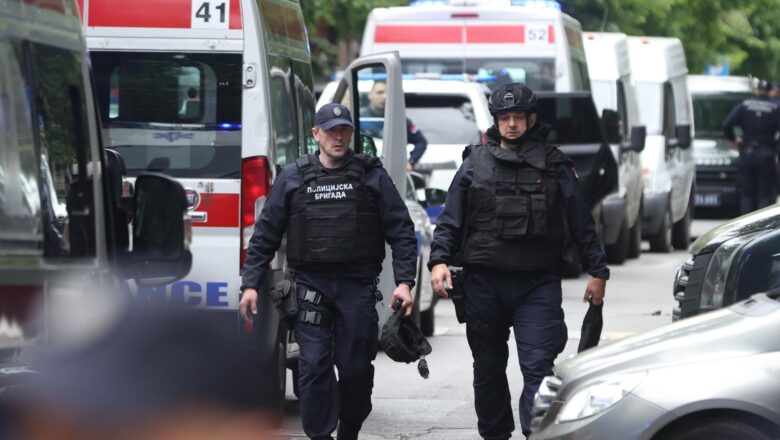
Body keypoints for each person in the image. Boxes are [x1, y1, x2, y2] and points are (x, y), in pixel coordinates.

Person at [428, 83, 609, 439]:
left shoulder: (555, 164)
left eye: (518, 117)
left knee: (539, 370)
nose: (511, 124)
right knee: (489, 370)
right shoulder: (473, 163)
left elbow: (581, 222)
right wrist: (438, 262)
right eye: (504, 118)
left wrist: (598, 272)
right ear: (496, 121)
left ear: (531, 119)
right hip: (484, 284)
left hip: (536, 285)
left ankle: (537, 434)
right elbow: (451, 220)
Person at [239, 103, 418, 440]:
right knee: (313, 366)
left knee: (355, 370)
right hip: (311, 286)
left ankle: (349, 428)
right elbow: (265, 233)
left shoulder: (371, 176)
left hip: (357, 287)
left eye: (344, 130)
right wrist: (250, 284)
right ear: (316, 134)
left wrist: (406, 282)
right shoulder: (293, 177)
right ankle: (320, 435)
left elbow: (401, 230)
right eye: (331, 130)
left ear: (351, 133)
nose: (338, 136)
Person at [722, 78, 780, 214]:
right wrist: (775, 146)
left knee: (747, 195)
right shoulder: (776, 108)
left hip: (747, 153)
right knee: (765, 195)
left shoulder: (744, 105)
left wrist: (735, 139)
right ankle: (762, 231)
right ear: (770, 91)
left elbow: (726, 125)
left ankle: (746, 231)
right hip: (767, 154)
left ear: (757, 90)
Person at [362, 80, 428, 171]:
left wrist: (411, 162)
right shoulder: (359, 118)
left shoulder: (400, 119)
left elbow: (421, 142)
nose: (384, 96)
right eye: (380, 92)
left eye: (387, 93)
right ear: (370, 95)